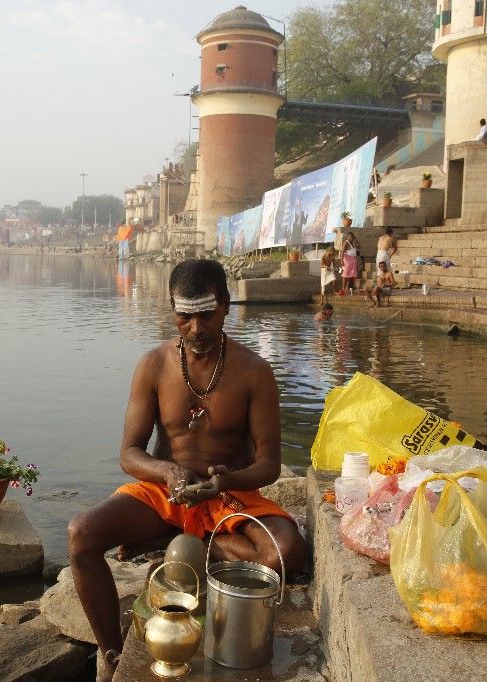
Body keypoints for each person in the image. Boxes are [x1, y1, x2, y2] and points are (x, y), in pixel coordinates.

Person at [67, 259, 307, 681]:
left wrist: (226, 481)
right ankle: (109, 651)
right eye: (185, 315)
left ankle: (187, 540)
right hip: (166, 492)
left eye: (206, 314)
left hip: (230, 495)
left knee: (285, 554)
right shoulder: (153, 365)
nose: (195, 327)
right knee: (81, 535)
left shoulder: (255, 372)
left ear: (227, 306)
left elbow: (268, 463)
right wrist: (167, 472)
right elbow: (129, 453)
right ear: (172, 310)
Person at [339, 231, 361, 295]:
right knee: (345, 274)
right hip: (347, 260)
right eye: (350, 237)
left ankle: (349, 288)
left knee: (351, 275)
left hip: (353, 260)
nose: (351, 238)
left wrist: (356, 240)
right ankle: (343, 288)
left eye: (352, 237)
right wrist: (341, 260)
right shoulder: (346, 242)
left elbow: (359, 247)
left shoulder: (353, 243)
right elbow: (342, 251)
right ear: (348, 236)